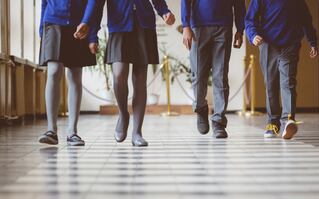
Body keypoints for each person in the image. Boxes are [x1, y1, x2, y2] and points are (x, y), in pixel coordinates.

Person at [92, 0, 176, 147]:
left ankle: (137, 132)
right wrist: (92, 34)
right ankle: (123, 114)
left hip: (144, 23)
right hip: (119, 24)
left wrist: (164, 12)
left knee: (140, 80)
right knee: (118, 75)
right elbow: (96, 4)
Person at [245, 0, 318, 140]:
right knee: (271, 84)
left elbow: (306, 19)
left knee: (288, 82)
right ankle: (273, 123)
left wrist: (312, 41)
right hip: (267, 43)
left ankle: (288, 120)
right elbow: (250, 19)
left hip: (290, 44)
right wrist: (253, 35)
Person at [181, 0, 246, 139]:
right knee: (198, 75)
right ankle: (201, 108)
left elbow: (239, 3)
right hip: (198, 27)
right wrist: (186, 25)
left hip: (224, 27)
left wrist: (240, 29)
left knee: (220, 76)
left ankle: (219, 122)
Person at [38, 0, 97, 146]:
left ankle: (72, 132)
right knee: (53, 71)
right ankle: (51, 130)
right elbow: (44, 2)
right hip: (52, 22)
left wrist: (90, 29)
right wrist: (41, 29)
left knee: (75, 75)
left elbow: (93, 3)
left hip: (80, 23)